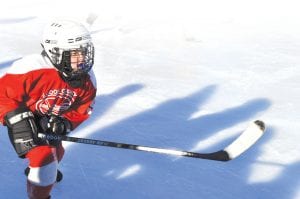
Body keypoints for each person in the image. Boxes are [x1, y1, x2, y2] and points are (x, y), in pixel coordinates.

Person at [0, 19, 97, 199]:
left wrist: (65, 123)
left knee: (57, 152)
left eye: (83, 52)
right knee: (44, 158)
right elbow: (2, 95)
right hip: (22, 119)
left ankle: (38, 172)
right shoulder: (30, 69)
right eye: (74, 53)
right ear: (55, 52)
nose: (82, 58)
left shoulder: (87, 80)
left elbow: (82, 108)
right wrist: (17, 120)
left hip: (49, 120)